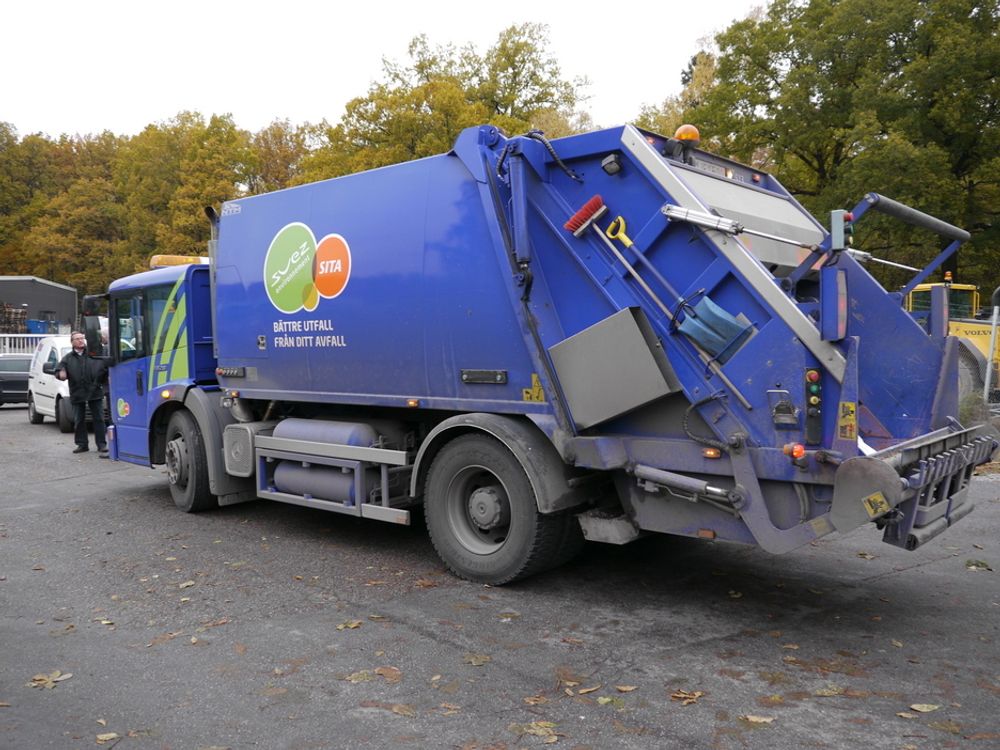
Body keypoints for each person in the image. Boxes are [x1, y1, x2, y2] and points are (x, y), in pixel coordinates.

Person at [56, 331, 109, 456]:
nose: (81, 340)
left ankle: (102, 444)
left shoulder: (93, 354)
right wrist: (61, 374)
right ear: (72, 342)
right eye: (77, 339)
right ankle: (82, 444)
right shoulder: (68, 358)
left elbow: (104, 364)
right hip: (77, 392)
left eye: (82, 338)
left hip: (94, 391)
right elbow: (59, 370)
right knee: (79, 419)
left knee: (99, 419)